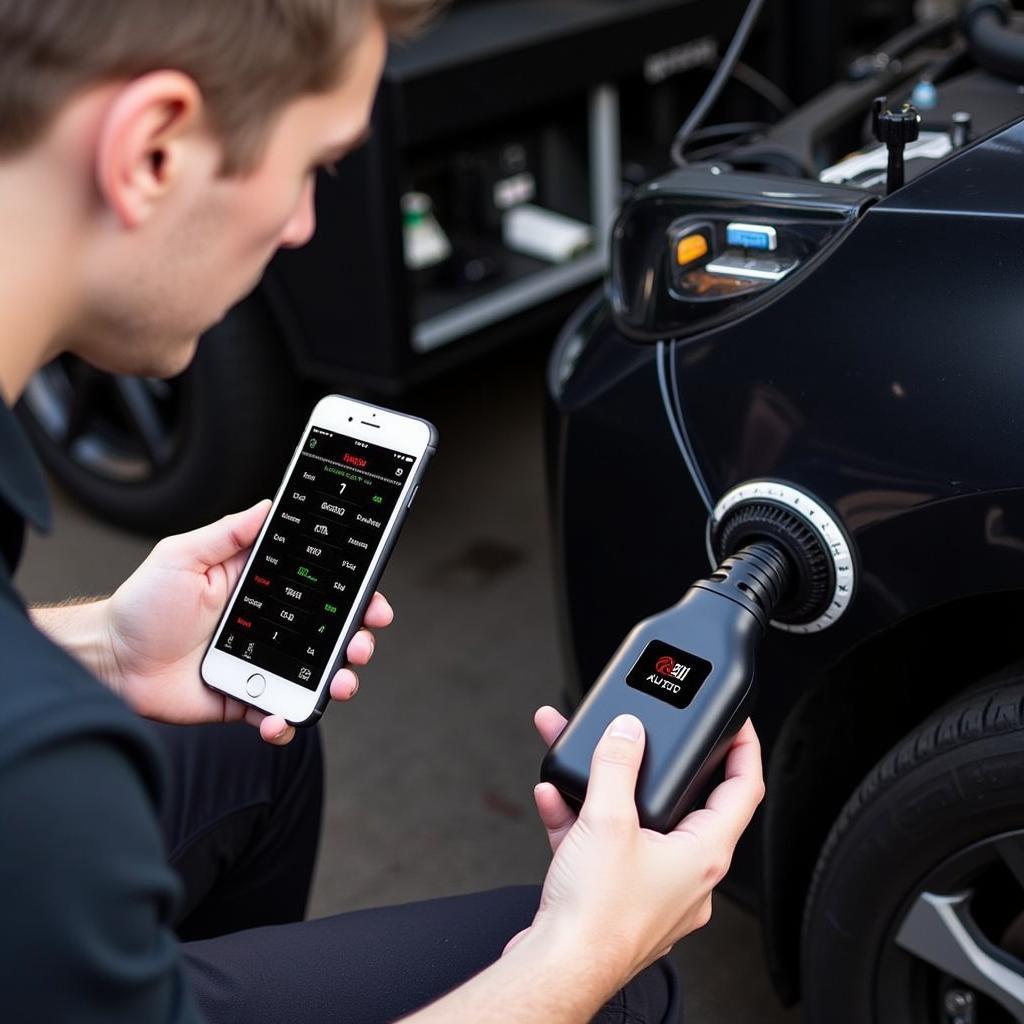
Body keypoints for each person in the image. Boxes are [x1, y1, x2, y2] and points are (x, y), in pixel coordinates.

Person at [0, 1, 766, 1021]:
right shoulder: (43, 773)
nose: (305, 222)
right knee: (621, 982)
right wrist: (584, 957)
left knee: (253, 735)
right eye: (315, 163)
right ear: (152, 150)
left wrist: (105, 645)